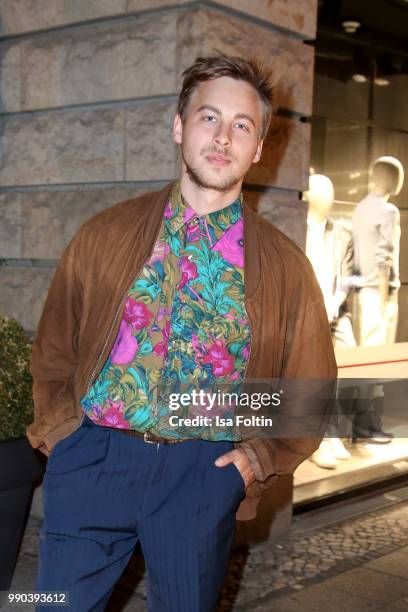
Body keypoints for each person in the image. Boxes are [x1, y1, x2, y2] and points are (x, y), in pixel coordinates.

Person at [28, 54, 337, 611]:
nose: (223, 137)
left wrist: (256, 458)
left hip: (202, 474)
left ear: (260, 147)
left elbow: (309, 391)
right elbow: (54, 346)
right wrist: (62, 435)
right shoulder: (106, 233)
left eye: (242, 126)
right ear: (179, 126)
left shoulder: (286, 268)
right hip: (94, 458)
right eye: (209, 118)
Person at [351, 156, 404, 443]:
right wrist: (386, 303)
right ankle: (367, 427)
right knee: (378, 365)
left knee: (366, 363)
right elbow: (385, 260)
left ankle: (363, 425)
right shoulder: (388, 211)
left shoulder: (361, 208)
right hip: (379, 296)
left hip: (362, 294)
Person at [305, 173, 354, 468]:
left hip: (334, 313)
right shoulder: (295, 228)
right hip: (305, 314)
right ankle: (318, 438)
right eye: (323, 191)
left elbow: (348, 277)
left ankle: (331, 432)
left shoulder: (342, 233)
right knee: (314, 371)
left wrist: (333, 304)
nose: (330, 196)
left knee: (347, 361)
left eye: (331, 190)